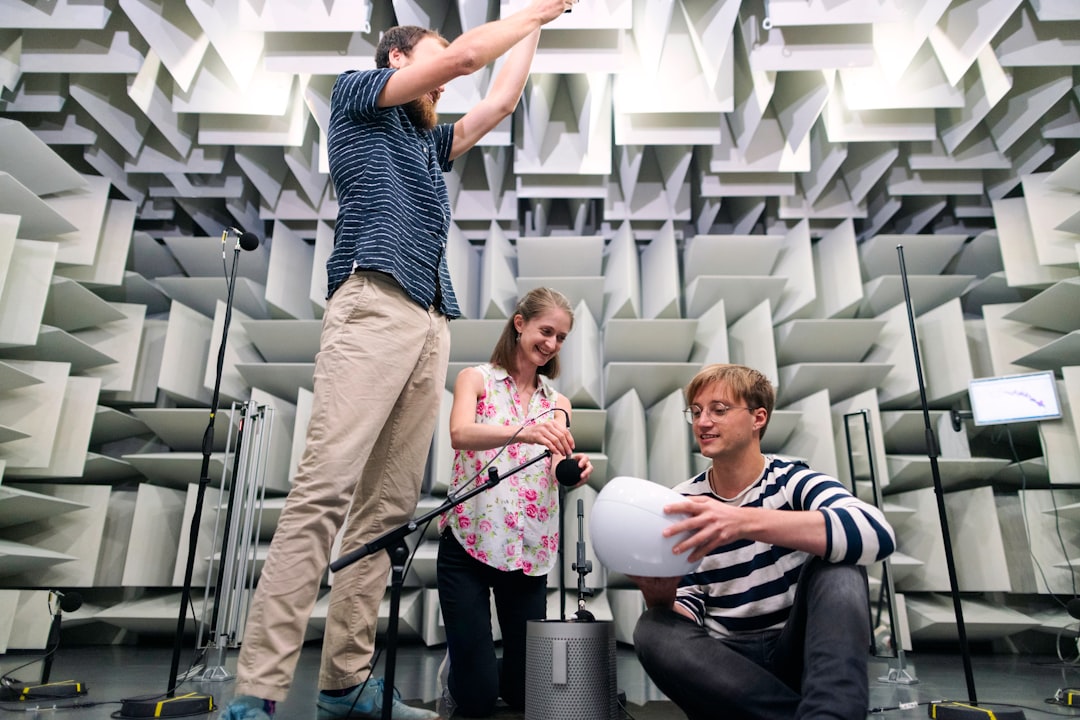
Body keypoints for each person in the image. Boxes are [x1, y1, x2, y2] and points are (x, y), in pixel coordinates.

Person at [222, 3, 577, 719]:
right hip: (372, 300)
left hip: (429, 321)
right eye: (431, 64)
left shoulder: (426, 144)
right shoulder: (355, 95)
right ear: (398, 59)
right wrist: (534, 4)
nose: (442, 86)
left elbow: (501, 98)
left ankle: (344, 682)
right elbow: (469, 61)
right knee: (324, 492)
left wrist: (546, 16)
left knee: (385, 513)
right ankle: (257, 691)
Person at [629, 363, 896, 720]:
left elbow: (877, 532)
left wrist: (743, 521)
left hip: (799, 651)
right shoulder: (684, 500)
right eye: (695, 412)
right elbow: (686, 613)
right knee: (652, 628)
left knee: (842, 567)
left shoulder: (792, 480)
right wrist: (660, 594)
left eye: (718, 410)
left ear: (758, 418)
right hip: (726, 667)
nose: (703, 422)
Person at [437, 287, 592, 717]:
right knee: (479, 699)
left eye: (561, 337)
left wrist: (574, 470)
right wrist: (524, 430)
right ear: (520, 324)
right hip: (468, 544)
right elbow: (459, 433)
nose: (552, 344)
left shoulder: (557, 403)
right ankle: (468, 669)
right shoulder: (476, 379)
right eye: (546, 331)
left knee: (527, 696)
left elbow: (556, 465)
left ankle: (479, 662)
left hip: (527, 550)